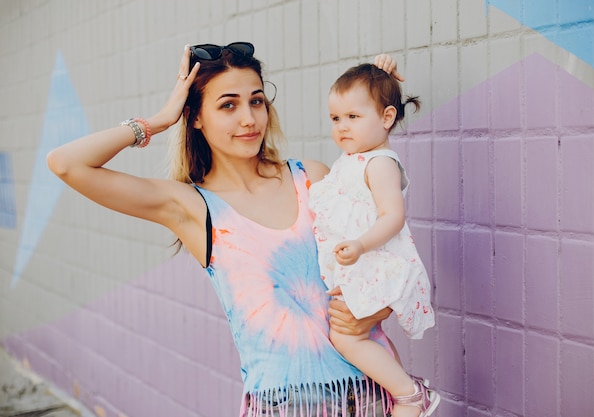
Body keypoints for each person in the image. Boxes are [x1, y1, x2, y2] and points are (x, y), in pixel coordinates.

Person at [47, 42, 409, 417]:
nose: (249, 119)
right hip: (287, 406)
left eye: (255, 101)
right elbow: (66, 164)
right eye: (228, 105)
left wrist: (376, 311)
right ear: (197, 117)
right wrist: (160, 119)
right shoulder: (192, 207)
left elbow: (385, 258)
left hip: (373, 391)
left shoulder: (312, 178)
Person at [308, 63, 439, 417]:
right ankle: (404, 392)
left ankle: (410, 395)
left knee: (346, 337)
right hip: (360, 264)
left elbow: (393, 216)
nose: (342, 126)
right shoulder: (353, 159)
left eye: (353, 115)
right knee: (369, 336)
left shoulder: (380, 162)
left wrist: (361, 245)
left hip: (377, 261)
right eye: (336, 118)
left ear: (386, 118)